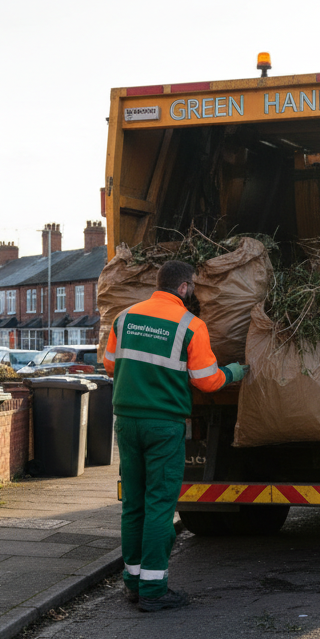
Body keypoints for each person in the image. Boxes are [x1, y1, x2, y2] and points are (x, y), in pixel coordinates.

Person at [104, 261, 246, 612]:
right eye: (193, 286)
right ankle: (153, 591)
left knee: (133, 505)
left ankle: (133, 584)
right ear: (184, 287)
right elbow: (207, 380)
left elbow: (110, 365)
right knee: (159, 506)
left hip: (126, 421)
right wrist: (235, 371)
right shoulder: (190, 326)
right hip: (163, 425)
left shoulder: (124, 318)